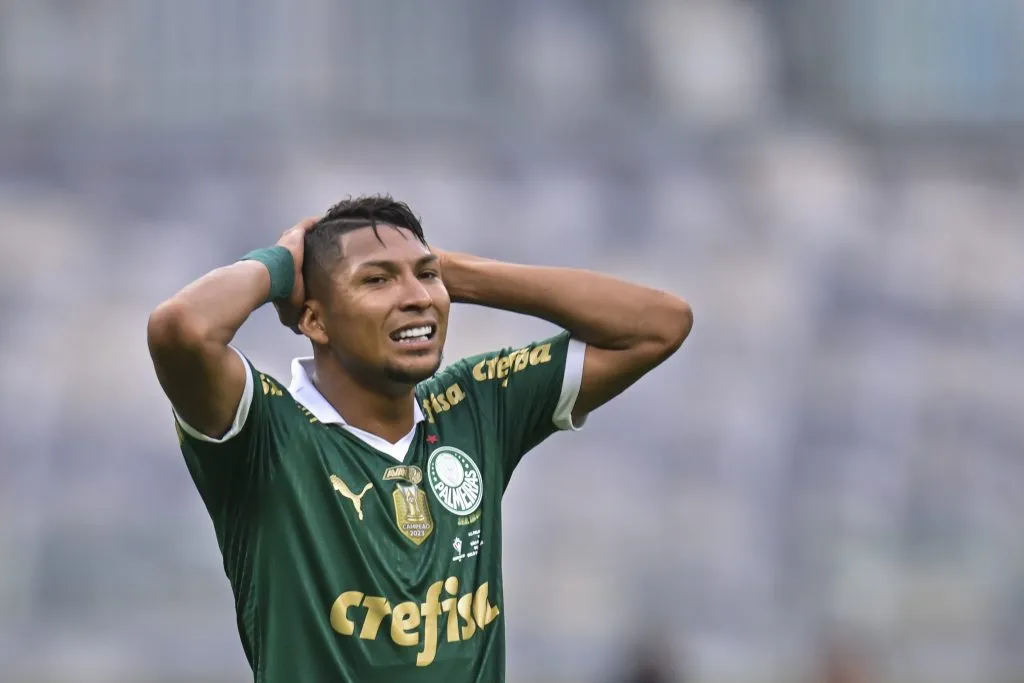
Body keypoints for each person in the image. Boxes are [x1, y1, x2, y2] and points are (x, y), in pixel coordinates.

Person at [147, 195, 692, 682]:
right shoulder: (267, 434)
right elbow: (181, 329)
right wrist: (277, 267)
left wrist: (452, 273)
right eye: (376, 280)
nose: (416, 298)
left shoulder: (477, 405)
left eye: (425, 276)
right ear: (315, 319)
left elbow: (660, 324)